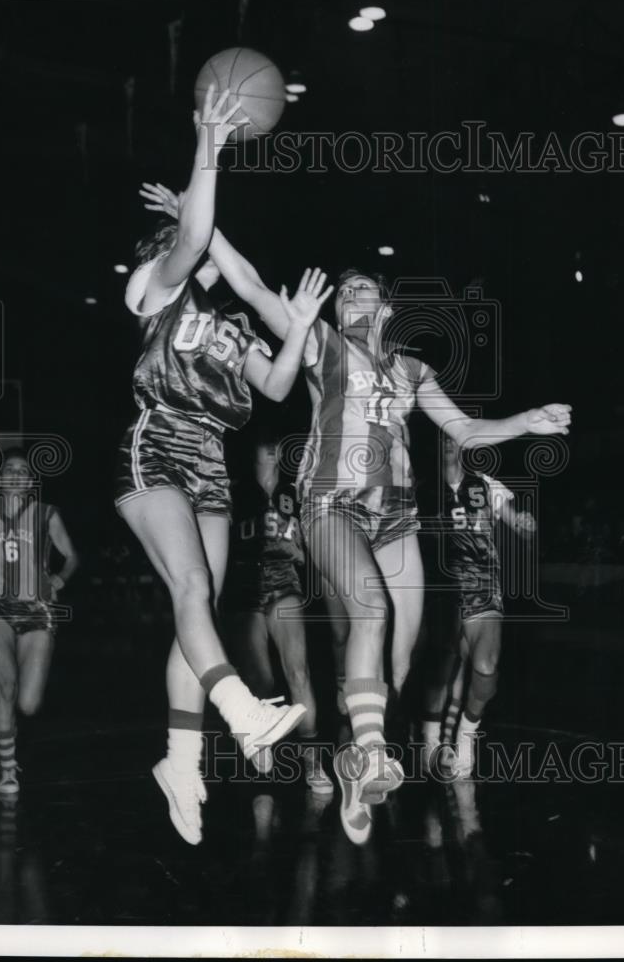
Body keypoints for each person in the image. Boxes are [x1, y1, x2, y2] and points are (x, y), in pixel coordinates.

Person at [139, 180, 571, 843]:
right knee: (372, 609)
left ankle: (354, 769)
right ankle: (367, 755)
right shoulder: (319, 346)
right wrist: (201, 226)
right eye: (345, 293)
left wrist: (526, 422)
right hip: (329, 503)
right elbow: (252, 288)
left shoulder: (413, 370)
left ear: (389, 306)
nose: (354, 296)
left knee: (393, 671)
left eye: (366, 289)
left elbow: (465, 434)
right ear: (336, 311)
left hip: (396, 515)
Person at [118, 89, 333, 846]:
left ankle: (180, 760)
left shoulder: (228, 327)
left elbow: (277, 387)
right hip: (156, 448)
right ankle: (242, 712)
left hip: (213, 463)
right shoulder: (160, 292)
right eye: (172, 242)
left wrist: (299, 327)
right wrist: (207, 145)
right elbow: (198, 234)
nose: (184, 247)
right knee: (189, 586)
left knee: (197, 610)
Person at [0, 451, 79, 795]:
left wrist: (60, 579)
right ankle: (8, 772)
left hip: (37, 611)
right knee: (5, 688)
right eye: (8, 470)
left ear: (29, 483)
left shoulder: (46, 514)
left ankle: (15, 747)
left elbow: (72, 556)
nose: (14, 474)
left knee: (28, 703)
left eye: (22, 471)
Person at [421, 435, 537, 779]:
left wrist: (525, 526)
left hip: (484, 585)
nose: (445, 444)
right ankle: (430, 738)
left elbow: (517, 523)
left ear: (462, 445)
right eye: (439, 438)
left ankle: (466, 736)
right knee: (441, 668)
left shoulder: (485, 484)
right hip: (441, 586)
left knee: (486, 667)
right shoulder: (420, 487)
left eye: (451, 438)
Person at [226, 431, 333, 796]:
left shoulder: (294, 493)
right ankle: (262, 745)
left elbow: (309, 543)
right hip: (243, 583)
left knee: (299, 671)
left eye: (277, 443)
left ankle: (312, 761)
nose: (272, 446)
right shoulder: (233, 490)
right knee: (261, 679)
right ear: (251, 449)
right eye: (265, 440)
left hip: (285, 580)